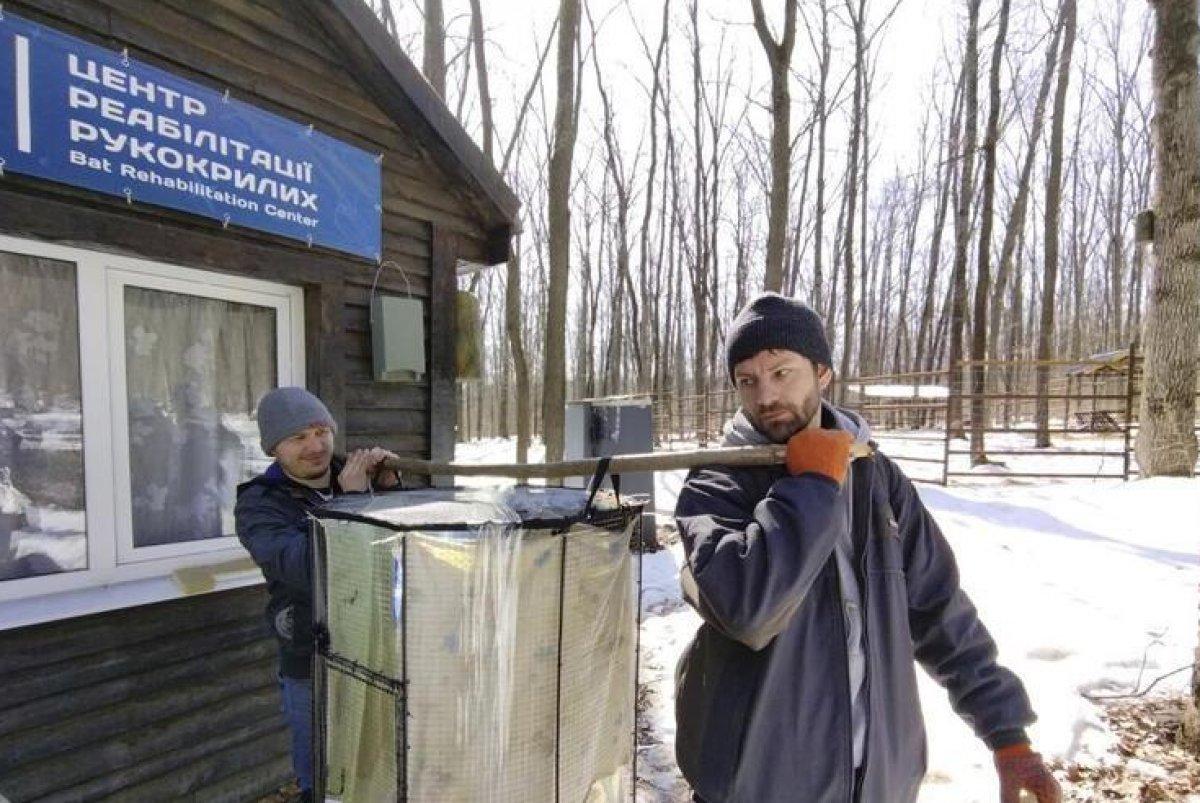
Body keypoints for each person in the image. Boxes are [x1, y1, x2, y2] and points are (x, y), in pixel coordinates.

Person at [674, 293, 1061, 803]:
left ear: (823, 373)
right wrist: (810, 483)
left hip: (879, 782)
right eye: (748, 381)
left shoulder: (876, 478)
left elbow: (939, 610)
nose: (766, 395)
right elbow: (749, 610)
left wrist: (1009, 738)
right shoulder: (718, 482)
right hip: (759, 785)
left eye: (782, 373)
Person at [235, 387, 401, 803]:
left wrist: (391, 489)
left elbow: (400, 546)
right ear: (275, 448)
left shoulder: (355, 475)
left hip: (378, 651)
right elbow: (300, 567)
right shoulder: (260, 503)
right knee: (323, 778)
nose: (315, 446)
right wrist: (349, 503)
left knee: (382, 766)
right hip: (311, 659)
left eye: (320, 430)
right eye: (298, 438)